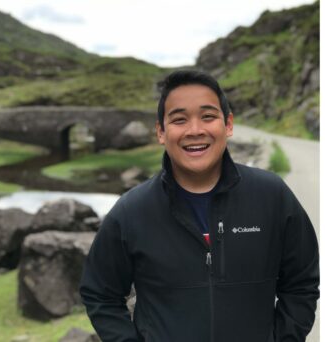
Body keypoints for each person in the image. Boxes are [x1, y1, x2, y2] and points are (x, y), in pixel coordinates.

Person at [80, 70, 319, 342]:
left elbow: (302, 284)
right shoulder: (131, 211)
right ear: (161, 131)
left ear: (228, 124)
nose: (195, 130)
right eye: (179, 119)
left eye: (208, 116)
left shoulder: (273, 195)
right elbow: (100, 294)